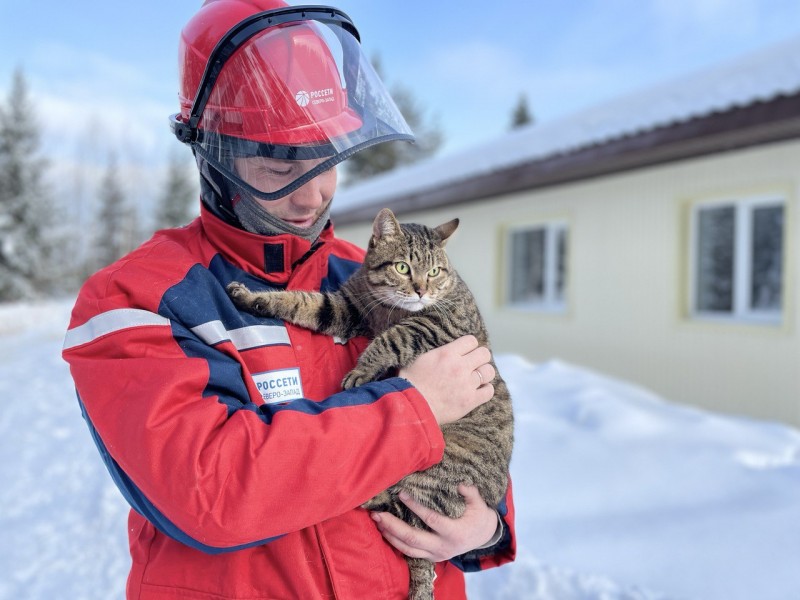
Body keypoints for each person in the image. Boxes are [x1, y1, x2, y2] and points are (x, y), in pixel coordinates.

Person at [62, 1, 516, 598]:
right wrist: (412, 410)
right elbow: (214, 494)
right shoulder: (137, 298)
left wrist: (485, 526)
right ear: (212, 153)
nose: (313, 195)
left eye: (327, 158)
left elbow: (476, 409)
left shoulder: (370, 272)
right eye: (278, 163)